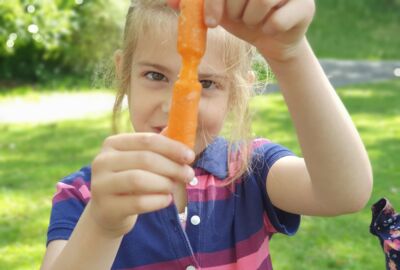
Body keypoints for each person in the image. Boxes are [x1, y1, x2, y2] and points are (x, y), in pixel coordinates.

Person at [40, 0, 373, 269]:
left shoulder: (249, 169)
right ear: (124, 73)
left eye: (207, 84)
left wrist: (291, 54)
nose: (174, 106)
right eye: (155, 75)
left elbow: (343, 194)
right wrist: (102, 224)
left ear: (236, 90)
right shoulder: (86, 195)